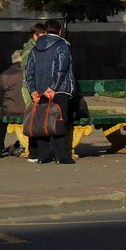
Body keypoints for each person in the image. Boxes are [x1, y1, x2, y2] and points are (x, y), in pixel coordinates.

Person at [24, 19, 76, 164]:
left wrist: (33, 90)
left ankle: (43, 155)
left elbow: (29, 71)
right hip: (59, 90)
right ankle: (61, 156)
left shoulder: (35, 47)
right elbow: (61, 68)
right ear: (59, 31)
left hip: (40, 90)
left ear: (45, 31)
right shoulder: (62, 45)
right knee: (59, 121)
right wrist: (53, 87)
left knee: (42, 121)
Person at [0, 50, 25, 158]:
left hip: (9, 110)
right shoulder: (29, 72)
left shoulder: (5, 74)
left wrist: (3, 104)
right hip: (27, 110)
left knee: (1, 122)